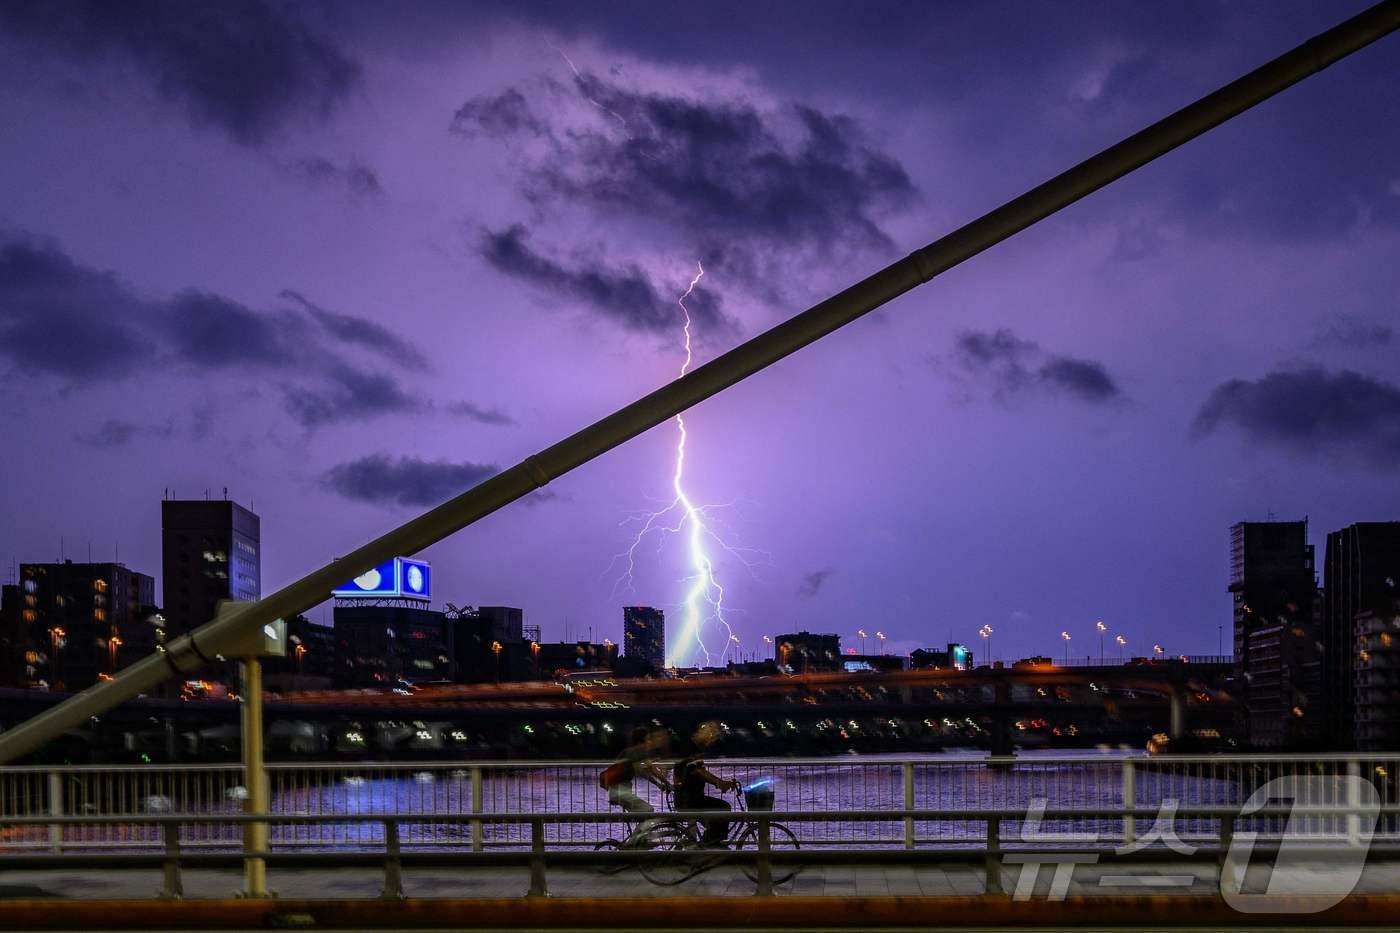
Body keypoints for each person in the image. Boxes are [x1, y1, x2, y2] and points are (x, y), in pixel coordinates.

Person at [672, 721, 740, 848]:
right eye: (711, 733)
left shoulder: (692, 746)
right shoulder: (692, 747)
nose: (712, 737)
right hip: (690, 799)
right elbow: (699, 771)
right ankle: (713, 844)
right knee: (724, 807)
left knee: (717, 812)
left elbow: (695, 770)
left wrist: (719, 783)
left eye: (714, 734)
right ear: (701, 731)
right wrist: (720, 783)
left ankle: (709, 842)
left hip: (687, 797)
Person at [607, 726, 672, 846]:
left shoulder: (633, 751)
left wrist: (664, 783)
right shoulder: (636, 751)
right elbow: (645, 770)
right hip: (620, 791)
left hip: (618, 790)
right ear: (641, 740)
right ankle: (633, 844)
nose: (650, 741)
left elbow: (650, 768)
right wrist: (662, 784)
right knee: (649, 811)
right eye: (648, 738)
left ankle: (638, 842)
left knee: (644, 815)